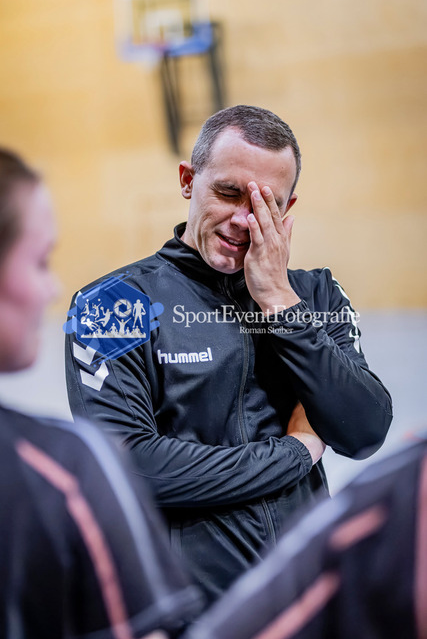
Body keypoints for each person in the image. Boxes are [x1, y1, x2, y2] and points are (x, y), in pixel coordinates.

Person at [65, 105, 393, 603]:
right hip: (193, 612)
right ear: (187, 180)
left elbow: (364, 430)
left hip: (308, 600)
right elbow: (132, 468)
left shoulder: (314, 295)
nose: (243, 220)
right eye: (228, 192)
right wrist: (296, 452)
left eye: (266, 204)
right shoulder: (111, 305)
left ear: (288, 207)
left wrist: (280, 302)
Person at [0, 149, 203, 638]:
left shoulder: (302, 296)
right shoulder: (66, 469)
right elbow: (141, 461)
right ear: (189, 182)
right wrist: (295, 452)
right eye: (41, 262)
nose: (53, 289)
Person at [180, 432, 427, 639]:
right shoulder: (393, 494)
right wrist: (297, 451)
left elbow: (365, 430)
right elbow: (156, 467)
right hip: (212, 584)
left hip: (279, 557)